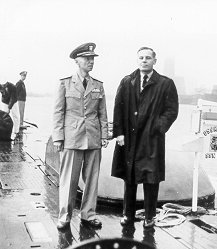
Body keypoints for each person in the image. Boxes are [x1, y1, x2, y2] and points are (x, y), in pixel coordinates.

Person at [111, 47, 179, 228]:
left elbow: (172, 110)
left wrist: (158, 127)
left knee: (151, 179)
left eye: (148, 58)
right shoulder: (127, 82)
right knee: (130, 178)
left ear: (154, 61)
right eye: (141, 57)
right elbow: (118, 108)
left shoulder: (165, 83)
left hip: (151, 139)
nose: (144, 61)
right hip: (130, 139)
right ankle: (128, 215)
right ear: (137, 60)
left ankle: (149, 217)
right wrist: (118, 133)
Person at [52, 42, 108, 230]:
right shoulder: (65, 83)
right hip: (71, 137)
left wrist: (104, 135)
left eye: (92, 58)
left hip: (93, 137)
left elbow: (102, 112)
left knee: (92, 178)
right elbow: (58, 112)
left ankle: (88, 215)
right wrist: (58, 137)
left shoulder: (98, 85)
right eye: (87, 58)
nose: (91, 62)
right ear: (77, 60)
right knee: (69, 179)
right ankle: (65, 216)